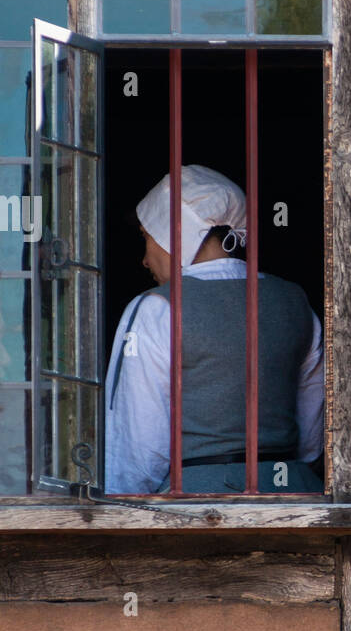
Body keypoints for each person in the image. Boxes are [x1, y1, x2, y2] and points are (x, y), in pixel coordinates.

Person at [105, 165, 324, 495]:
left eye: (147, 238)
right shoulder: (295, 301)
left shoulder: (155, 308)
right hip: (296, 494)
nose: (145, 260)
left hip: (197, 508)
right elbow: (311, 437)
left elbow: (137, 451)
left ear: (172, 232)